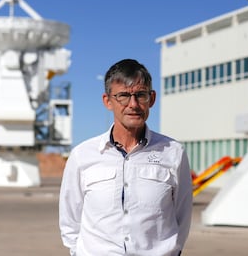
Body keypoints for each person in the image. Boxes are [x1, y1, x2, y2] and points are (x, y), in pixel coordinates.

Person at [59, 59, 192, 255]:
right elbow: (70, 220)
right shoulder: (82, 156)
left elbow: (182, 214)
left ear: (152, 98)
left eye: (141, 95)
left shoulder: (173, 152)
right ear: (107, 101)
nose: (133, 104)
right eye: (123, 96)